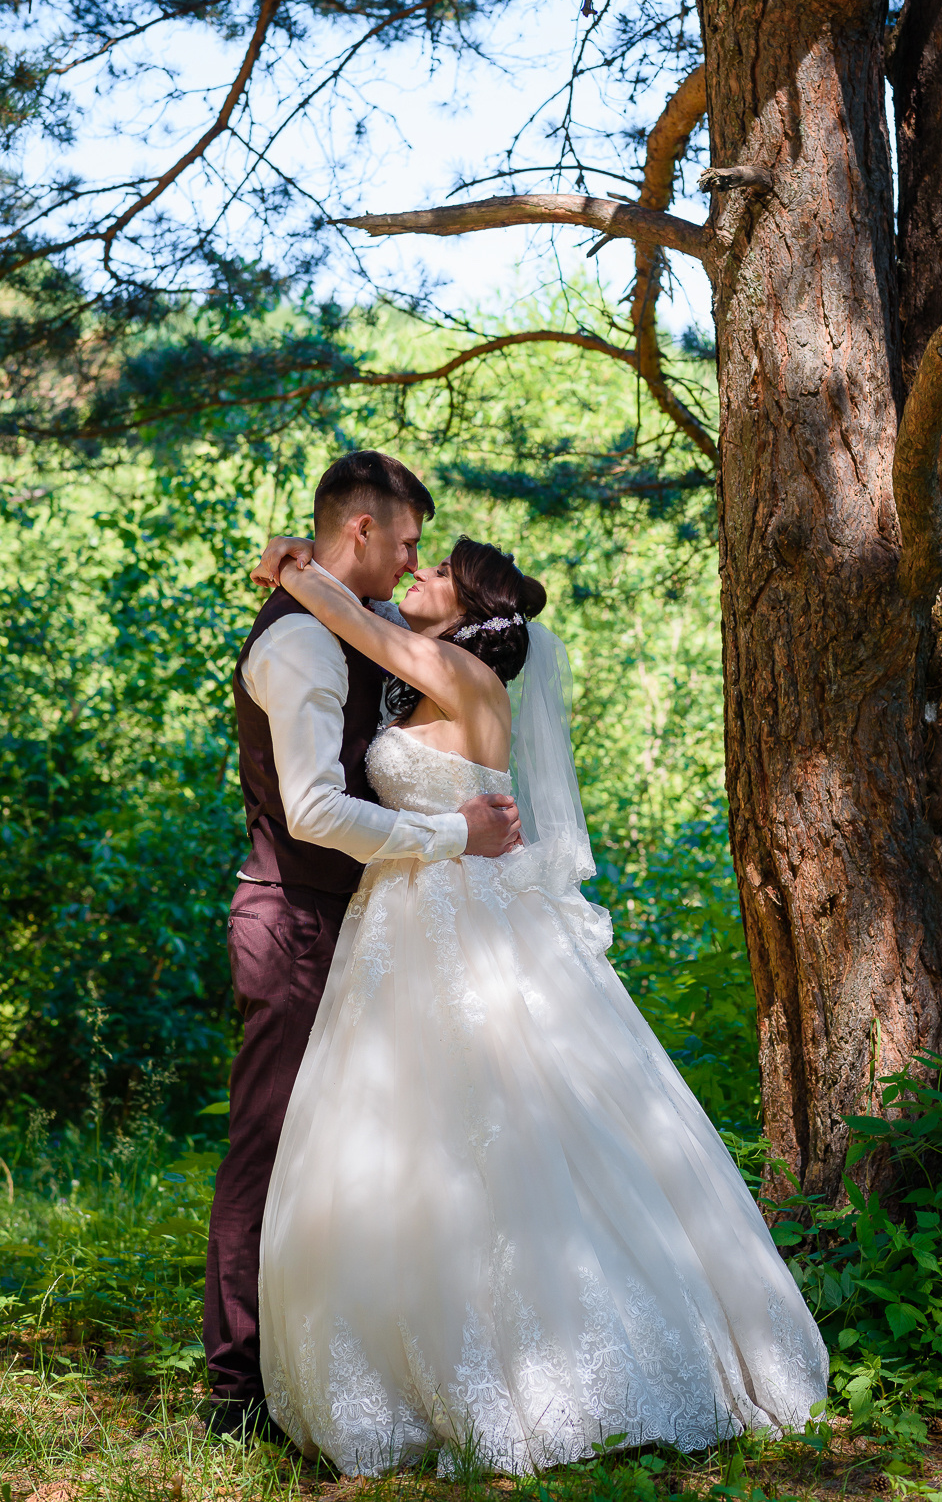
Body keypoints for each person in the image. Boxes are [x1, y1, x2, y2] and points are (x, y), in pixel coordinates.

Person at [248, 530, 829, 1475]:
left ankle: (577, 1365)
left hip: (460, 913)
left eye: (434, 572)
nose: (415, 575)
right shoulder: (437, 664)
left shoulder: (459, 674)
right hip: (409, 910)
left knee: (499, 1120)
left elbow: (352, 615)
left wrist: (288, 565)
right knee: (411, 1130)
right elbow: (370, 622)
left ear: (474, 613)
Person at [201, 453, 521, 1440]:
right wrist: (450, 834)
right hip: (295, 916)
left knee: (349, 1149)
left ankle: (355, 1352)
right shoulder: (303, 640)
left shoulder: (359, 636)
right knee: (271, 1145)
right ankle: (236, 1381)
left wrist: (293, 568)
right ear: (361, 533)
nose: (414, 559)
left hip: (361, 924)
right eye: (409, 543)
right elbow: (310, 809)